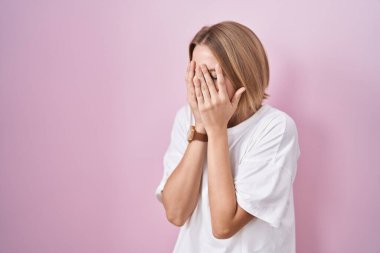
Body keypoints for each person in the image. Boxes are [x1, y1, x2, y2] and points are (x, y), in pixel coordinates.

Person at [154, 20, 301, 253]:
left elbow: (224, 226)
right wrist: (201, 126)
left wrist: (216, 129)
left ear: (245, 76)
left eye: (211, 75)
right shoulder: (187, 118)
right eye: (195, 74)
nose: (200, 85)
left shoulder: (276, 127)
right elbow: (176, 213)